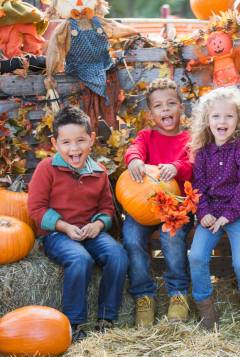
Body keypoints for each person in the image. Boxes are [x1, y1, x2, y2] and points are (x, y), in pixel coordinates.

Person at [28, 106, 128, 342]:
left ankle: (107, 318)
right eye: (66, 142)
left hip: (89, 230)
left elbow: (106, 209)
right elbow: (36, 210)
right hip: (57, 234)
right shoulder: (47, 169)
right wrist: (64, 227)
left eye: (81, 140)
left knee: (118, 255)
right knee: (79, 258)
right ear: (55, 143)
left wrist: (98, 226)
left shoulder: (99, 172)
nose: (74, 148)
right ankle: (74, 323)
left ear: (91, 139)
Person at [122, 78, 192, 327]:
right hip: (144, 205)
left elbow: (193, 163)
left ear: (181, 108)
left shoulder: (189, 139)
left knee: (172, 239)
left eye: (171, 103)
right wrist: (134, 161)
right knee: (131, 236)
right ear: (151, 113)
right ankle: (144, 295)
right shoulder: (146, 136)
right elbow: (133, 150)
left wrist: (176, 167)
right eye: (159, 106)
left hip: (174, 207)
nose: (165, 109)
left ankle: (178, 293)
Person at [188, 86, 240, 330]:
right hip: (211, 213)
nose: (222, 121)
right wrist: (204, 212)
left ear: (238, 120)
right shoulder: (203, 152)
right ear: (206, 120)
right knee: (196, 256)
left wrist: (227, 216)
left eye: (229, 116)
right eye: (216, 116)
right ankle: (205, 310)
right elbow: (198, 186)